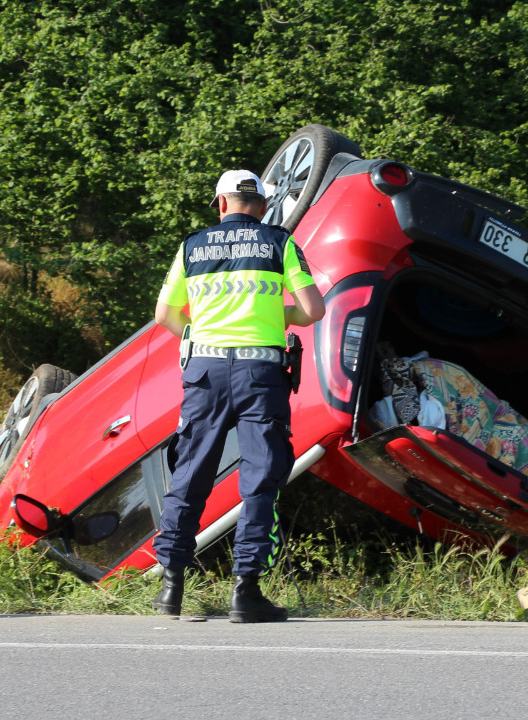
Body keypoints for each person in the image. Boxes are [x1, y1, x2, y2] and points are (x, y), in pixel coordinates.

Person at [151, 169, 325, 623]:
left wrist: (196, 336)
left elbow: (164, 315)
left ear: (221, 204)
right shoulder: (279, 243)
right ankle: (245, 592)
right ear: (263, 206)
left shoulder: (192, 246)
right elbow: (312, 310)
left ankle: (171, 588)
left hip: (205, 371)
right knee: (261, 477)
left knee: (190, 472)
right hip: (260, 374)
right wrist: (277, 311)